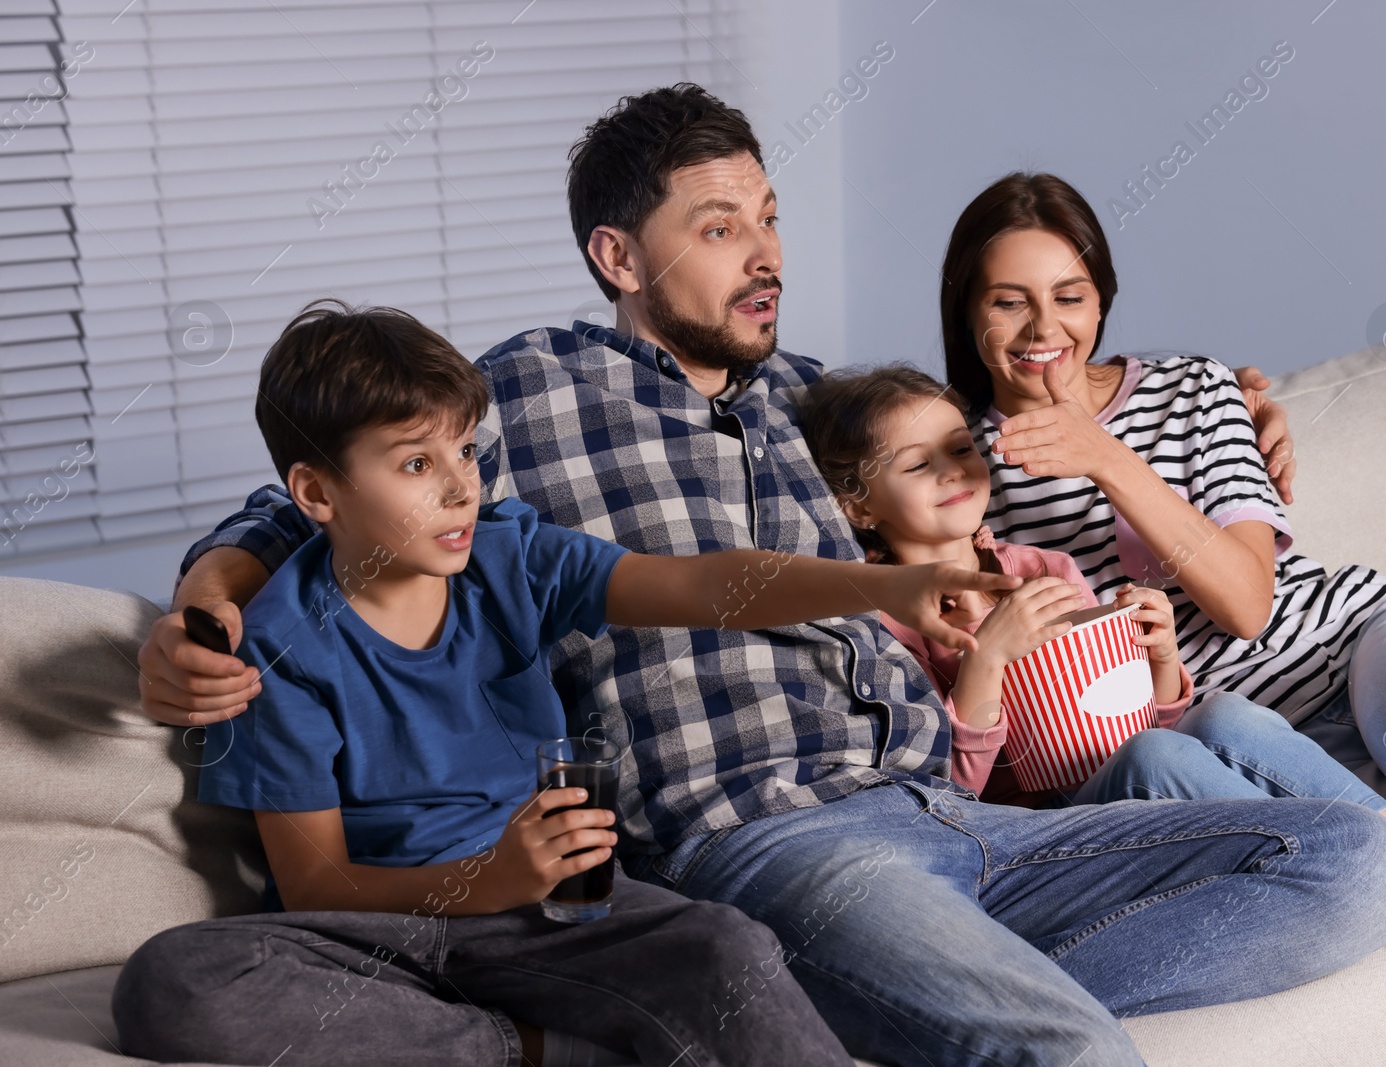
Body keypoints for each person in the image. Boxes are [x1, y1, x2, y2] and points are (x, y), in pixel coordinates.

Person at [130, 84, 1386, 1067]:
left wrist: (1227, 411)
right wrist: (206, 598)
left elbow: (994, 456)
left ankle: (877, 999)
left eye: (772, 218)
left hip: (955, 811)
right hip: (769, 841)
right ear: (620, 258)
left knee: (1356, 863)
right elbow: (324, 496)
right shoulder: (524, 391)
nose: (766, 254)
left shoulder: (817, 400)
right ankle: (898, 994)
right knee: (1069, 1049)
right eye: (720, 226)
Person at [122, 302, 1007, 1066]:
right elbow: (316, 888)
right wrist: (487, 877)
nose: (461, 488)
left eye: (464, 452)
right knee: (177, 981)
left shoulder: (512, 557)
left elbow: (703, 585)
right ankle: (532, 1048)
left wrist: (887, 585)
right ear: (317, 492)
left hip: (552, 907)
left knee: (723, 943)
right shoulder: (278, 647)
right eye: (415, 465)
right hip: (382, 929)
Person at [939, 170, 1386, 918]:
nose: (1042, 330)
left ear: (1101, 300)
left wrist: (1107, 457)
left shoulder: (1196, 388)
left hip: (1357, 652)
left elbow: (1248, 605)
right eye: (1007, 301)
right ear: (967, 309)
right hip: (1257, 756)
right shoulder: (958, 473)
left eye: (1069, 296)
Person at [800, 362, 1386, 953]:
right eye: (918, 463)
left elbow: (1137, 708)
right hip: (1050, 827)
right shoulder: (884, 626)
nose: (954, 469)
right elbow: (943, 796)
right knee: (1160, 751)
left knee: (1220, 711)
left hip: (1132, 759)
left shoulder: (1040, 568)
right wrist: (985, 663)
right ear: (860, 505)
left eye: (960, 447)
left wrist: (1156, 655)